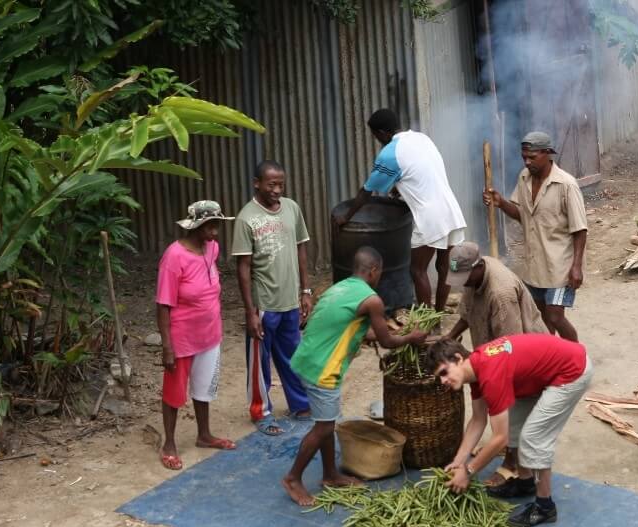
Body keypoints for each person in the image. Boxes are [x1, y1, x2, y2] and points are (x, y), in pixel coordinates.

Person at [282, 247, 428, 506]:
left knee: (325, 420)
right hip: (323, 368)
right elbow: (386, 340)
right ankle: (293, 478)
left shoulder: (341, 288)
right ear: (373, 271)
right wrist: (411, 338)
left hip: (308, 358)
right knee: (324, 426)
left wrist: (387, 335)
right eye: (380, 272)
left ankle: (329, 474)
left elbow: (353, 327)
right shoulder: (372, 300)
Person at [427, 334, 594, 527]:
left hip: (572, 370)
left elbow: (500, 439)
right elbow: (478, 420)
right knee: (514, 423)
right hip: (544, 372)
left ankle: (545, 507)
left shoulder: (490, 372)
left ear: (458, 358)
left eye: (443, 373)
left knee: (533, 438)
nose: (442, 381)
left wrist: (469, 471)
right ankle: (525, 482)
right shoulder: (476, 369)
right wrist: (458, 461)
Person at [440, 241, 549, 490]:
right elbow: (467, 315)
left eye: (465, 277)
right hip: (492, 353)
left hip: (519, 352)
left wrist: (468, 469)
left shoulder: (500, 294)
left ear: (478, 267)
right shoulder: (473, 278)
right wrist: (450, 337)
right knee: (500, 409)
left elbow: (511, 349)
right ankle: (512, 454)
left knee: (514, 407)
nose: (463, 282)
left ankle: (512, 464)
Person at [334, 108, 466, 312]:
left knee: (417, 270)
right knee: (443, 268)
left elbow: (366, 192)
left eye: (376, 135)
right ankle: (438, 316)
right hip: (451, 210)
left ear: (382, 133)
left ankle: (427, 325)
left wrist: (346, 216)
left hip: (430, 217)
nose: (377, 140)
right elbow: (418, 173)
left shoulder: (389, 153)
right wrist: (401, 189)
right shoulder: (421, 139)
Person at [483, 131, 588, 341]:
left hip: (560, 267)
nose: (527, 161)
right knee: (539, 321)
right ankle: (549, 360)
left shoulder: (566, 185)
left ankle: (577, 358)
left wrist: (576, 266)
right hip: (534, 266)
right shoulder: (524, 178)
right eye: (524, 157)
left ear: (548, 154)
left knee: (556, 317)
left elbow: (580, 229)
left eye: (532, 157)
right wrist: (501, 202)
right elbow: (521, 215)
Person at [156, 200, 237, 470]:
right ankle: (169, 442)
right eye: (210, 226)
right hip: (182, 337)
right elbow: (163, 304)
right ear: (196, 226)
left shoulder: (212, 249)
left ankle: (204, 434)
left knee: (203, 387)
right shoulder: (174, 256)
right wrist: (167, 346)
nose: (215, 232)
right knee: (174, 392)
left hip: (210, 332)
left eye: (217, 225)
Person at [233, 160, 312, 436]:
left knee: (293, 357)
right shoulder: (246, 218)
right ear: (257, 183)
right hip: (264, 304)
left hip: (290, 299)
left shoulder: (292, 209)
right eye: (271, 184)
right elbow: (243, 267)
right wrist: (250, 311)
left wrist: (305, 291)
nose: (277, 189)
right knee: (260, 361)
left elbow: (301, 249)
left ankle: (301, 405)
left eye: (281, 184)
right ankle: (261, 411)